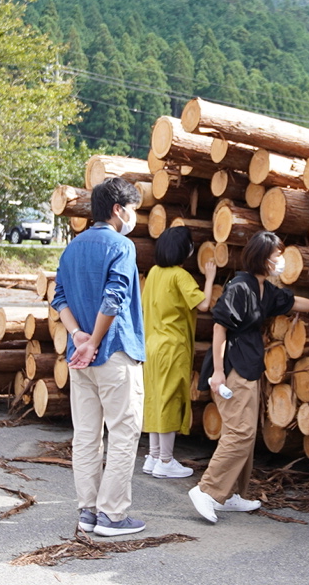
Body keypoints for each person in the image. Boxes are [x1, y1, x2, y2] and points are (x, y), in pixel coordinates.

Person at [191, 231, 309, 524]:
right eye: (277, 256)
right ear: (262, 257)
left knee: (246, 434)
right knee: (239, 432)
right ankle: (206, 491)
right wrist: (219, 373)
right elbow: (220, 327)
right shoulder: (240, 287)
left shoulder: (263, 288)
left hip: (249, 367)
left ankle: (230, 494)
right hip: (233, 367)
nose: (281, 260)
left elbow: (293, 302)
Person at [50, 176, 148, 538]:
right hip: (114, 351)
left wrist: (78, 335)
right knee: (123, 432)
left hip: (81, 357)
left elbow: (59, 298)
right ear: (118, 210)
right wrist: (94, 340)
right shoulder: (122, 245)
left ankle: (88, 511)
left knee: (87, 436)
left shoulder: (72, 247)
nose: (134, 216)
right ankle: (112, 515)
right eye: (132, 209)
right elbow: (114, 297)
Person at [141, 225, 218, 479]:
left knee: (155, 398)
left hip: (152, 345)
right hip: (172, 347)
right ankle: (166, 460)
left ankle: (153, 456)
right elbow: (203, 304)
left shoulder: (154, 272)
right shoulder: (179, 275)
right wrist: (209, 278)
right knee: (170, 400)